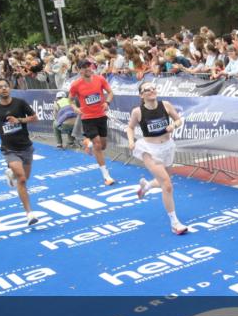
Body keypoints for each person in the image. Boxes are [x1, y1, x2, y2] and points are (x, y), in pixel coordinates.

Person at [126, 81, 190, 235]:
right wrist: (130, 141)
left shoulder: (166, 105)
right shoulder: (137, 112)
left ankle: (146, 186)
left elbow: (179, 120)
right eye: (147, 90)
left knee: (166, 178)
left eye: (153, 88)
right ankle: (175, 223)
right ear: (142, 95)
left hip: (167, 146)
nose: (151, 91)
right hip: (149, 149)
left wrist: (173, 126)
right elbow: (130, 127)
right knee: (167, 185)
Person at [0, 79, 39, 226]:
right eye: (0, 87)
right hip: (9, 149)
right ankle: (29, 213)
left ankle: (11, 174)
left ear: (9, 88)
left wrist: (19, 120)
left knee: (25, 177)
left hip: (26, 147)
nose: (4, 89)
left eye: (6, 86)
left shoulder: (20, 103)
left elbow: (35, 118)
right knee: (22, 179)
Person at [67, 58, 116, 185]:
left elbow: (110, 92)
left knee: (103, 145)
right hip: (87, 117)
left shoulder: (100, 79)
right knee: (98, 145)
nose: (88, 69)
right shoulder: (76, 85)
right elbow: (70, 100)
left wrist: (107, 102)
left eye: (89, 66)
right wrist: (75, 108)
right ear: (79, 70)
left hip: (101, 115)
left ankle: (87, 143)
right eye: (84, 67)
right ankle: (106, 176)